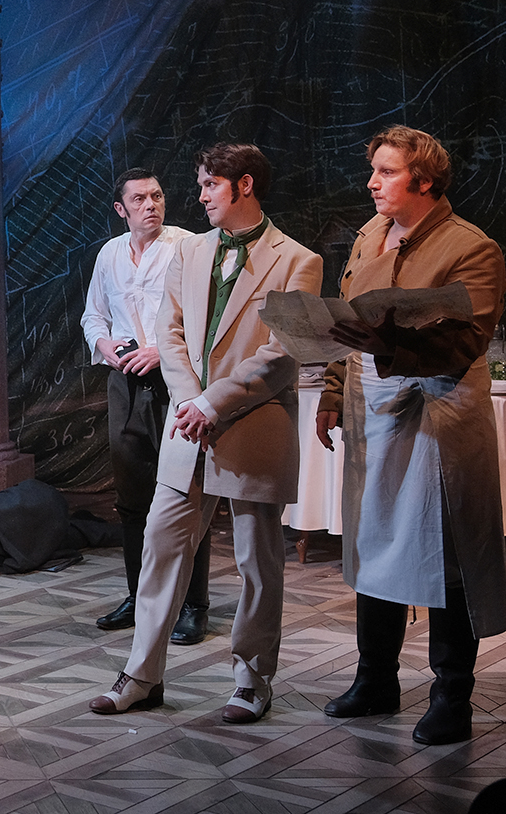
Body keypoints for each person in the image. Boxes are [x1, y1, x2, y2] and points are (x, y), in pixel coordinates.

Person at [87, 143, 321, 723]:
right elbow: (168, 330)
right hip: (186, 426)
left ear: (244, 185)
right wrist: (191, 400)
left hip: (252, 424)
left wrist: (214, 403)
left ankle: (251, 680)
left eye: (210, 185)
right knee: (161, 545)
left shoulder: (298, 260)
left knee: (256, 561)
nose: (199, 196)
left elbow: (282, 354)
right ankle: (141, 674)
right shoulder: (190, 251)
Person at [314, 126, 506, 745]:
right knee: (374, 545)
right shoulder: (370, 234)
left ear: (423, 180)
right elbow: (347, 321)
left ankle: (452, 696)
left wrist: (389, 342)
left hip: (436, 416)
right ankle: (376, 679)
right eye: (373, 169)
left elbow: (465, 341)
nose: (372, 182)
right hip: (372, 411)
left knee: (443, 554)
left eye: (387, 171)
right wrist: (332, 393)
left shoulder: (470, 248)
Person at [80, 168, 213, 644]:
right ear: (121, 209)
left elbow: (203, 317)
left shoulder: (188, 246)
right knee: (132, 498)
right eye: (138, 199)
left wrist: (162, 350)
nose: (150, 205)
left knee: (184, 494)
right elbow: (93, 314)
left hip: (176, 381)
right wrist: (106, 345)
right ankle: (140, 597)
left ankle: (193, 605)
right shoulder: (110, 253)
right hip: (125, 382)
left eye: (156, 196)